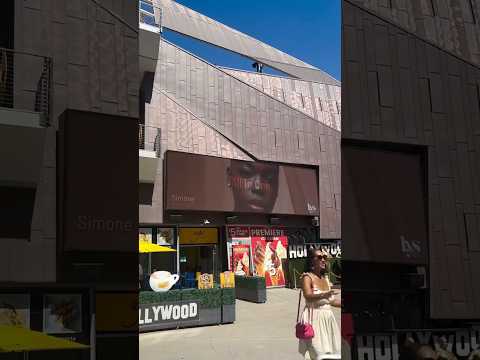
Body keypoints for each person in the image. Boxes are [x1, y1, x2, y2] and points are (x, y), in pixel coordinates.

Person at [298, 248, 341, 359]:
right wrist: (323, 295)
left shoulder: (325, 278)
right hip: (314, 319)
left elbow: (331, 301)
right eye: (320, 257)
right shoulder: (307, 277)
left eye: (325, 258)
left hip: (328, 319)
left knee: (331, 353)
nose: (323, 260)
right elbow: (307, 296)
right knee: (318, 353)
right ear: (312, 260)